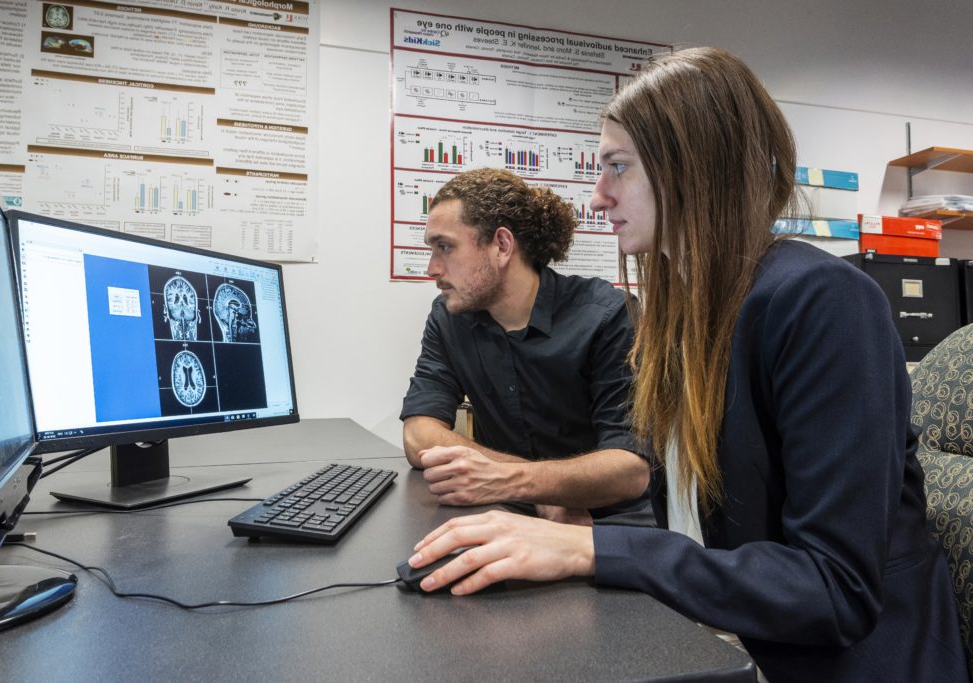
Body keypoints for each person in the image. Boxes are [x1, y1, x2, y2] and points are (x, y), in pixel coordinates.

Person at [405, 48, 968, 681]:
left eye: (618, 167)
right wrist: (569, 523)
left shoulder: (823, 300)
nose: (598, 196)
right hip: (720, 634)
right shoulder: (686, 314)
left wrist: (592, 549)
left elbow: (832, 590)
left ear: (694, 169)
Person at [400, 167, 652, 525]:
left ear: (501, 246)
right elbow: (418, 435)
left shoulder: (610, 317)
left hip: (604, 526)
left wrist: (517, 483)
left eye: (445, 247)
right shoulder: (449, 317)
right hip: (506, 508)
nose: (432, 268)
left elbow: (630, 469)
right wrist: (531, 487)